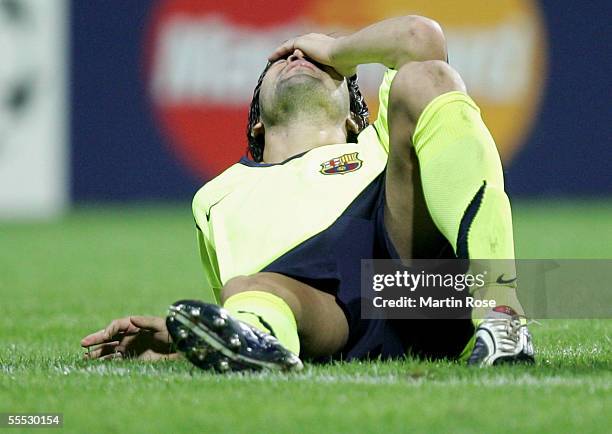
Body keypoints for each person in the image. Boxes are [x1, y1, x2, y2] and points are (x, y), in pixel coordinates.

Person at [81, 15, 534, 370]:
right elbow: (241, 313)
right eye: (281, 61)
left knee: (428, 78)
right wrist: (183, 342)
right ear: (257, 118)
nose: (298, 57)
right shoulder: (215, 198)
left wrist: (339, 49)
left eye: (318, 62)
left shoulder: (374, 144)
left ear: (353, 118)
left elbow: (418, 36)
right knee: (248, 288)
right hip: (325, 317)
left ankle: (502, 316)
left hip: (414, 284)